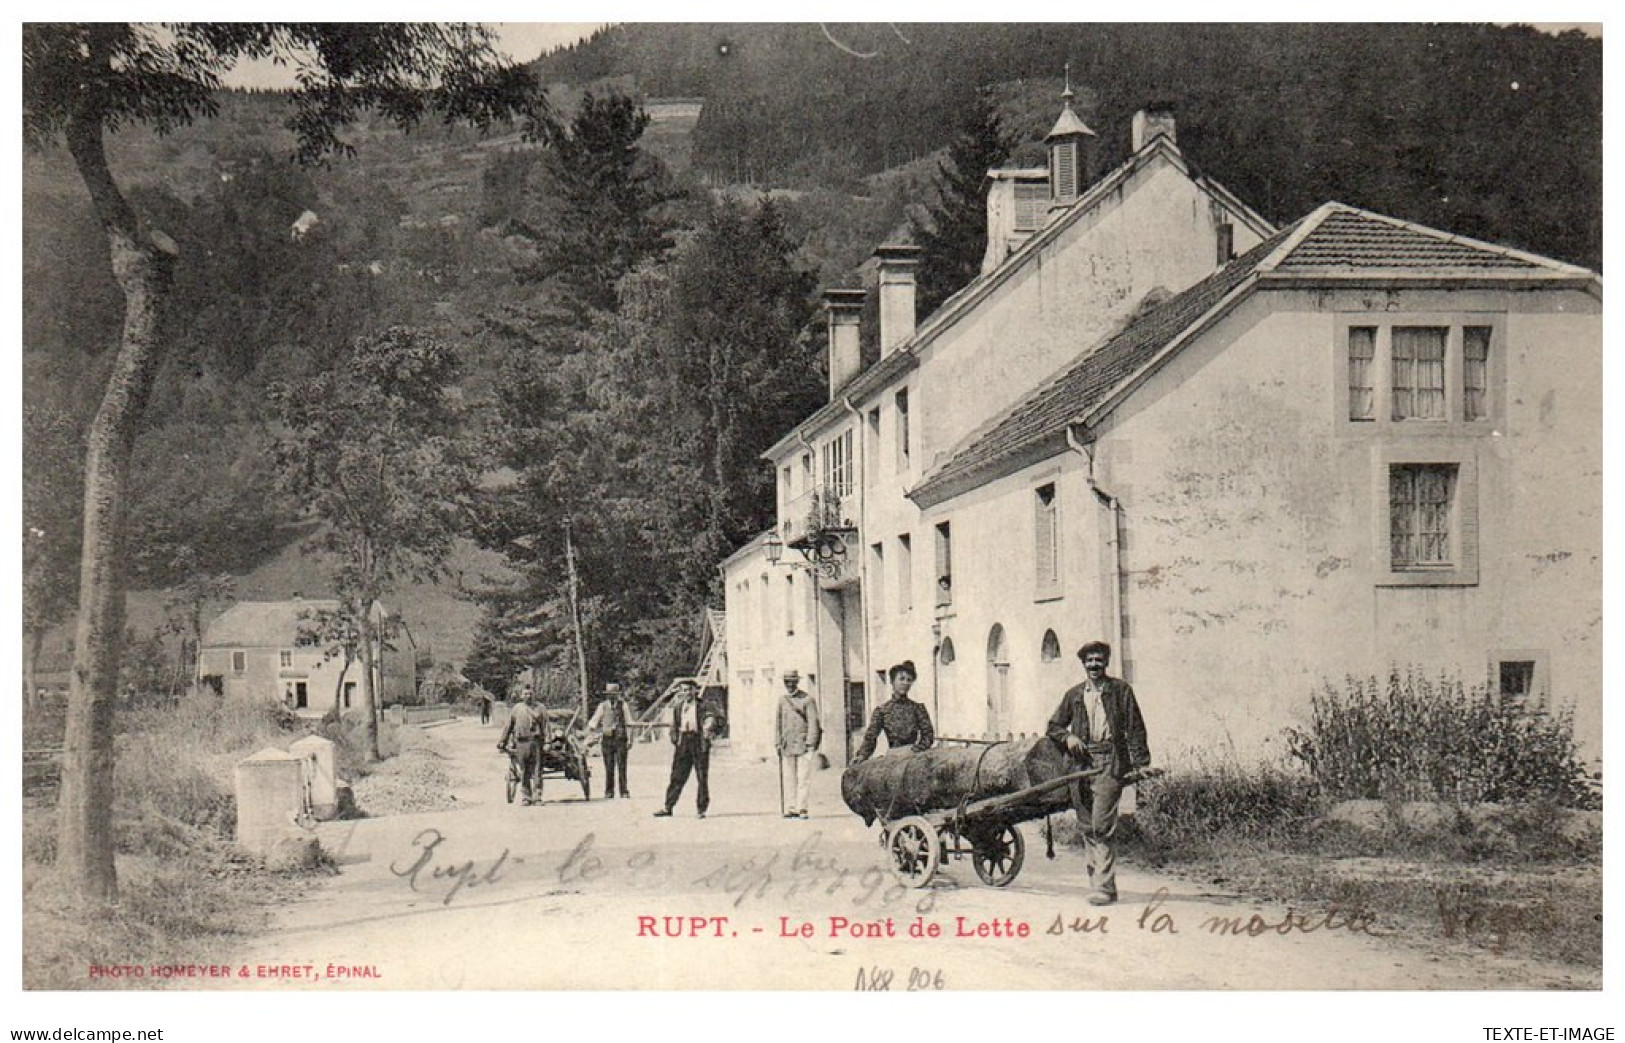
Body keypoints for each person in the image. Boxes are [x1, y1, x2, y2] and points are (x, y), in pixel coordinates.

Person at [1045, 640, 1151, 907]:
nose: (1094, 665)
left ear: (1106, 662)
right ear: (1083, 664)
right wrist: (1068, 737)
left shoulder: (1120, 691)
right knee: (1086, 825)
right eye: (1089, 660)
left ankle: (1102, 886)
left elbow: (1135, 727)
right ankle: (1101, 883)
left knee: (1102, 825)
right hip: (1081, 764)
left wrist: (1140, 762)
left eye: (1098, 660)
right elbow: (1054, 726)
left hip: (1110, 762)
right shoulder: (1075, 695)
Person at [653, 680, 722, 819]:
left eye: (689, 690)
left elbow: (719, 719)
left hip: (699, 741)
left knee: (701, 777)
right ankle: (668, 807)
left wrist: (711, 732)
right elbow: (674, 726)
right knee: (677, 776)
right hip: (683, 742)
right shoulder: (678, 707)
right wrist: (676, 740)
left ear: (695, 691)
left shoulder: (704, 705)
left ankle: (701, 809)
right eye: (683, 690)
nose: (687, 693)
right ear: (680, 692)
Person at [853, 661, 934, 763]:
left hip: (914, 758)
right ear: (892, 681)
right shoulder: (882, 711)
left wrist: (917, 749)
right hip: (893, 759)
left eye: (909, 680)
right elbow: (870, 737)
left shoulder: (918, 709)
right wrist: (862, 755)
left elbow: (928, 736)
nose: (905, 683)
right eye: (901, 679)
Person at [775, 670, 822, 819]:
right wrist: (777, 742)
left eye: (792, 681)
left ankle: (802, 807)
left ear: (797, 682)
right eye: (787, 681)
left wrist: (811, 743)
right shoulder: (782, 700)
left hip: (803, 745)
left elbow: (813, 723)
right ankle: (791, 807)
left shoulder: (807, 700)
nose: (789, 685)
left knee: (803, 777)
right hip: (787, 745)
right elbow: (778, 723)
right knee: (789, 777)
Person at [498, 684, 549, 805]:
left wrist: (547, 742)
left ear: (533, 694)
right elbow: (508, 726)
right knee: (524, 770)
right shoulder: (517, 709)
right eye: (526, 694)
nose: (528, 696)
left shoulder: (540, 708)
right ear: (521, 695)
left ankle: (537, 797)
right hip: (521, 743)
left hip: (536, 742)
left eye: (530, 693)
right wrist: (502, 741)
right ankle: (526, 797)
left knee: (537, 770)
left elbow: (546, 726)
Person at [587, 681, 633, 799]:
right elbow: (594, 722)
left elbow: (629, 723)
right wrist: (592, 734)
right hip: (607, 739)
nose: (612, 696)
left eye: (614, 694)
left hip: (620, 739)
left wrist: (630, 739)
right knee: (609, 766)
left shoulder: (623, 705)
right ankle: (609, 791)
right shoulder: (602, 706)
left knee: (622, 766)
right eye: (609, 694)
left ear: (618, 694)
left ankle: (624, 791)